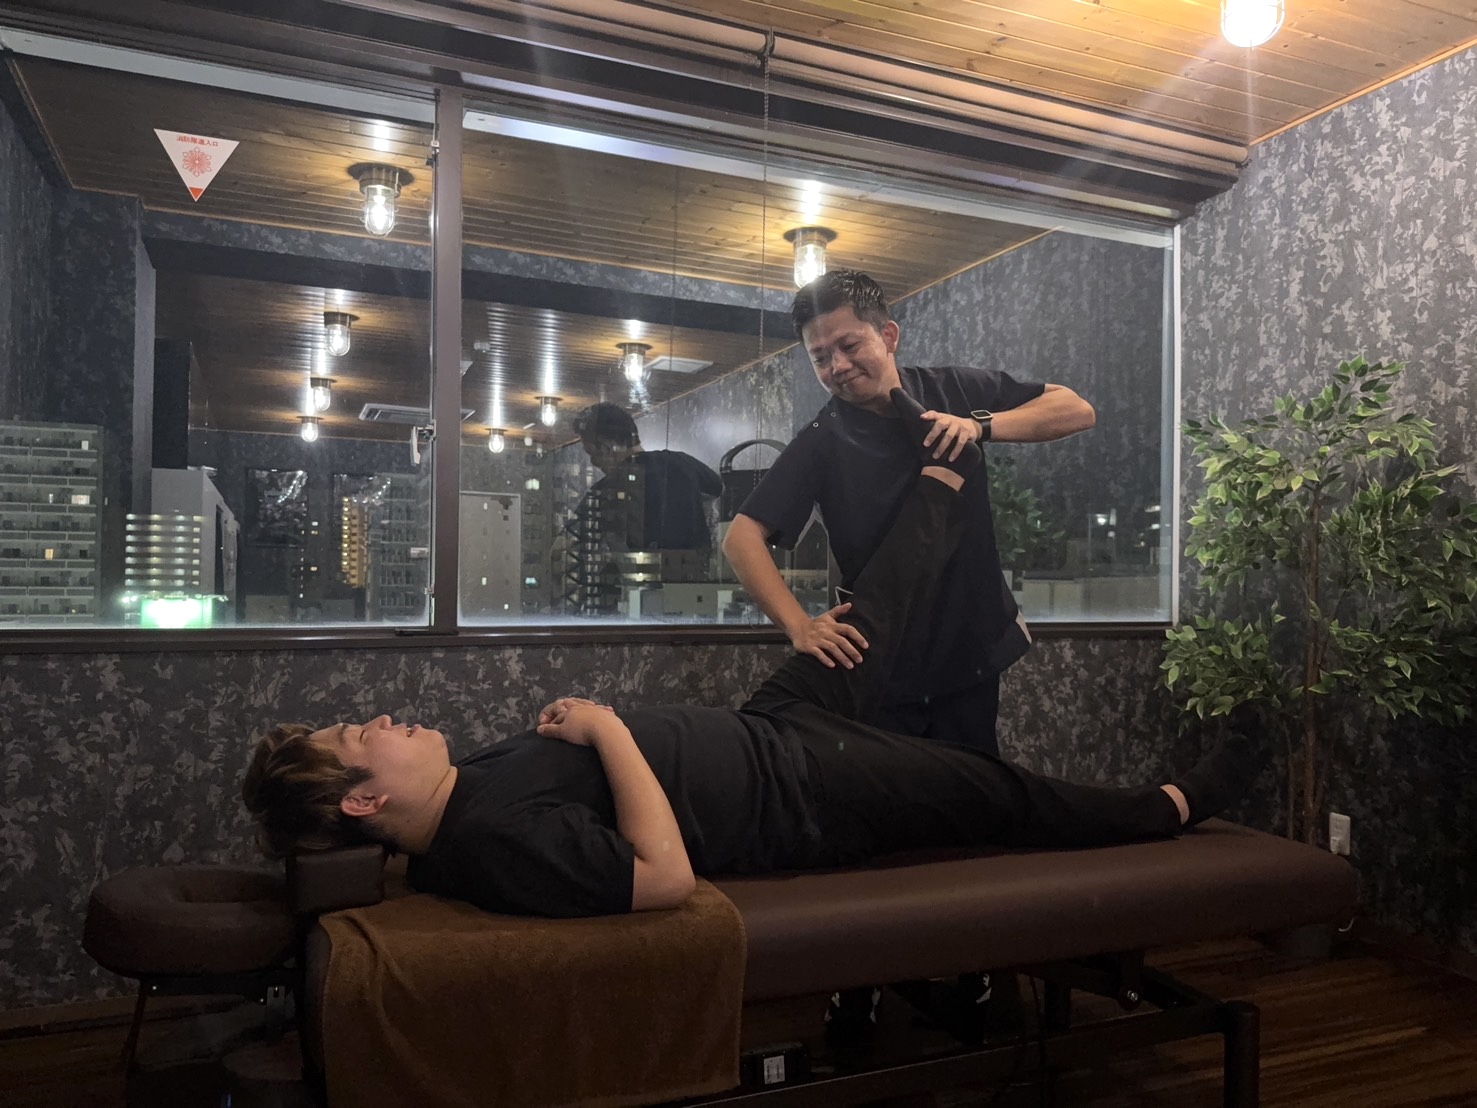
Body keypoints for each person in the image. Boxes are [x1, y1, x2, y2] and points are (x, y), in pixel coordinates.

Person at [242, 437, 1256, 923]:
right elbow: (663, 879)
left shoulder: (463, 804)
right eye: (359, 735)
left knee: (856, 621)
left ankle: (947, 477)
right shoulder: (490, 844)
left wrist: (581, 728)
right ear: (365, 799)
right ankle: (1164, 808)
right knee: (987, 787)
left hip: (767, 728)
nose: (380, 717)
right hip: (805, 791)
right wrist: (604, 728)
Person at [723, 269, 1097, 757]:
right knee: (899, 789)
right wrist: (800, 626)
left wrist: (978, 426)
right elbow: (741, 537)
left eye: (849, 346)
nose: (838, 366)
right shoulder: (822, 439)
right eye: (821, 357)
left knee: (974, 784)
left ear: (889, 335)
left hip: (968, 643)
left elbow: (1075, 409)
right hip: (884, 654)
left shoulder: (950, 389)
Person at [560, 403, 722, 614]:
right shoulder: (683, 462)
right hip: (700, 597)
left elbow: (563, 549)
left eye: (591, 453)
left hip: (640, 602)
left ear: (608, 447)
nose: (593, 462)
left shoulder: (606, 489)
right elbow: (717, 489)